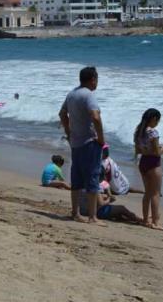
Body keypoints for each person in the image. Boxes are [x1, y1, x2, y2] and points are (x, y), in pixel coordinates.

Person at [58, 66, 105, 226]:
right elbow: (96, 117)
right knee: (92, 177)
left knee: (76, 178)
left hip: (76, 142)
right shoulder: (88, 95)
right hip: (89, 142)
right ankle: (92, 217)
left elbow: (62, 113)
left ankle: (75, 213)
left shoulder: (72, 94)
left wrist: (69, 132)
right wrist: (101, 138)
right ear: (93, 79)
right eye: (97, 79)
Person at [134, 108, 163, 230]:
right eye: (157, 121)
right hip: (153, 163)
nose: (157, 123)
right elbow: (157, 152)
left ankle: (145, 219)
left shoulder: (138, 132)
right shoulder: (153, 133)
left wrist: (147, 150)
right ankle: (155, 222)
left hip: (143, 162)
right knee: (156, 193)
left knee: (147, 192)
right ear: (154, 119)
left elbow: (138, 150)